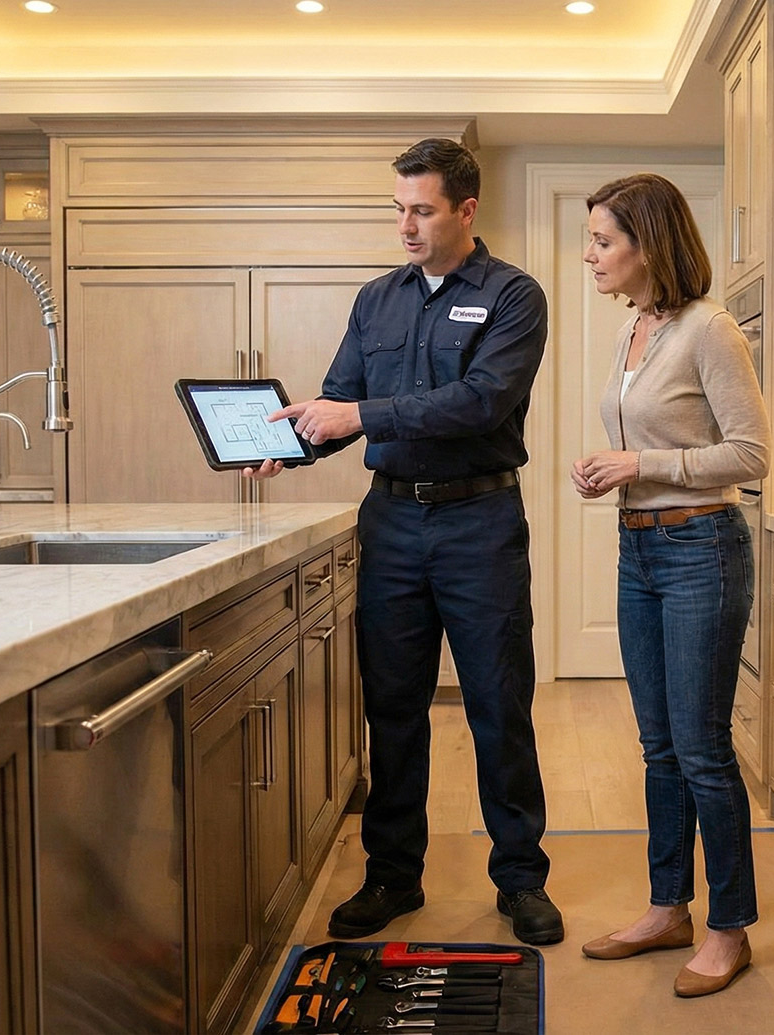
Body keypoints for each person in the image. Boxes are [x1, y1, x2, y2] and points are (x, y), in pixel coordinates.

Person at [246, 137, 562, 946]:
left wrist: (357, 417)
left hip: (479, 524)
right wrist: (294, 442)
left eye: (421, 210)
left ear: (466, 209)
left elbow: (482, 402)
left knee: (499, 705)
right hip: (388, 524)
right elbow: (343, 398)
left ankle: (521, 879)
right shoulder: (375, 300)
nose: (406, 226)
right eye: (398, 209)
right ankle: (392, 875)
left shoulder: (513, 297)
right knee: (391, 709)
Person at [569, 173, 769, 997]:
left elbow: (751, 456)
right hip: (639, 551)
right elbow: (650, 441)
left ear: (650, 244)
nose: (590, 255)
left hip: (702, 551)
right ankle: (667, 906)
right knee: (657, 747)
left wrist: (640, 463)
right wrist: (608, 471)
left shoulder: (709, 329)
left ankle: (729, 927)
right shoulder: (636, 331)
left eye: (604, 241)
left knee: (701, 749)